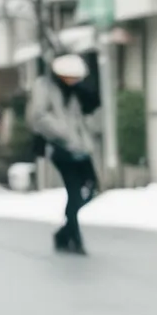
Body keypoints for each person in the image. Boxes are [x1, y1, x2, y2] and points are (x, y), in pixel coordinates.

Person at [28, 54, 100, 254]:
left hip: (80, 146)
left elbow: (87, 113)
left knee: (92, 186)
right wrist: (63, 134)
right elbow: (39, 116)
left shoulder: (77, 91)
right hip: (59, 147)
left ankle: (65, 231)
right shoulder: (44, 86)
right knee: (74, 191)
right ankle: (74, 237)